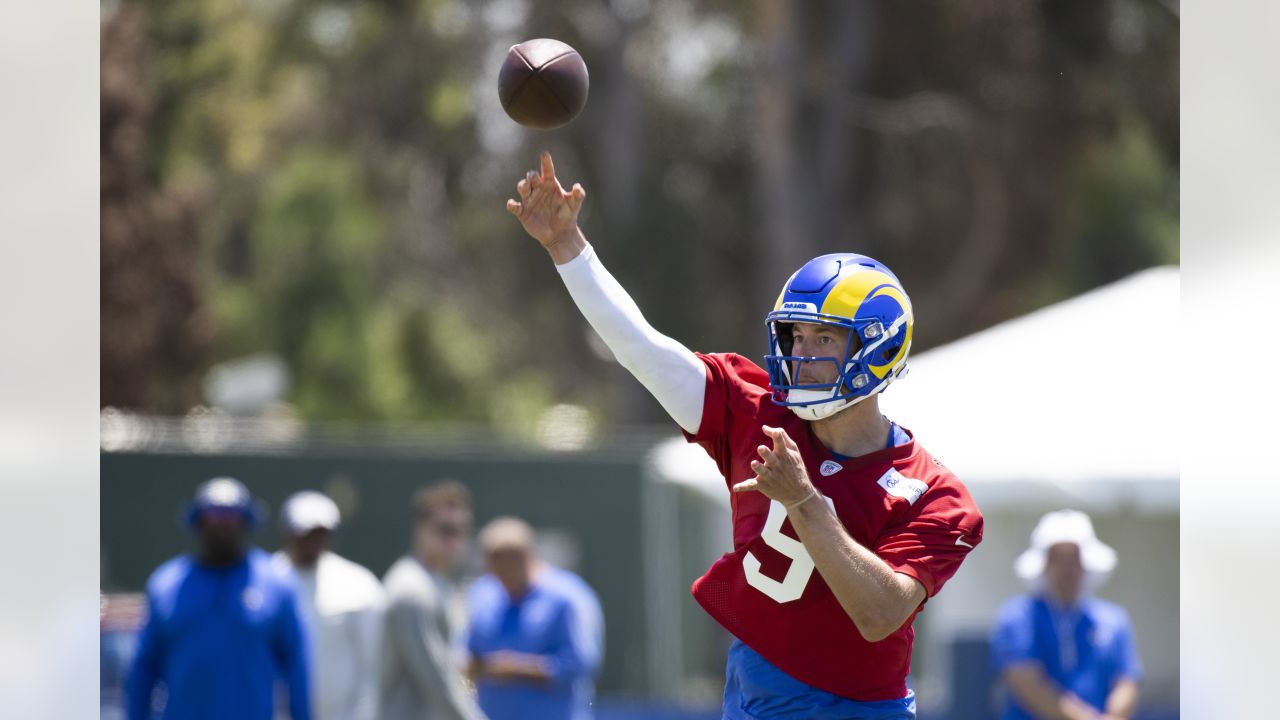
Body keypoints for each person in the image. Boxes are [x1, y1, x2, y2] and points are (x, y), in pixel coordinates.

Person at [506, 153, 984, 719]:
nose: (800, 355)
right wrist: (568, 248)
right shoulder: (755, 408)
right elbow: (641, 350)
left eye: (823, 340)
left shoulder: (932, 493)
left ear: (876, 351)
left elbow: (880, 615)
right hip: (751, 693)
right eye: (794, 336)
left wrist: (805, 501)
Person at [126, 477, 310, 720]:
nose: (223, 525)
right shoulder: (167, 584)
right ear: (198, 522)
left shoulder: (276, 583)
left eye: (232, 516)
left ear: (246, 522)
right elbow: (144, 668)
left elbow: (296, 666)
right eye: (214, 516)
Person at [991, 510, 1142, 720]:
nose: (1067, 568)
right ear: (1044, 564)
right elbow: (1026, 682)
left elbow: (1126, 680)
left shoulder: (1114, 620)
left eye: (1074, 558)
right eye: (1057, 559)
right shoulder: (1018, 617)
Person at [465, 517, 604, 720]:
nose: (500, 578)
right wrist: (481, 666)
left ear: (525, 557)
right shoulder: (483, 593)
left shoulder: (568, 597)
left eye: (506, 567)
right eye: (494, 568)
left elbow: (580, 664)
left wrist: (519, 668)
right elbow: (464, 653)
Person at [379, 480, 487, 720]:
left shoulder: (437, 583)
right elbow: (437, 681)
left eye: (462, 531)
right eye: (446, 530)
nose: (455, 541)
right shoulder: (411, 590)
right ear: (420, 529)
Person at [274, 490, 385, 720]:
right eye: (305, 532)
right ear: (287, 533)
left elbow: (375, 666)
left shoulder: (358, 585)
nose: (313, 540)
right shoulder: (265, 582)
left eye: (321, 533)